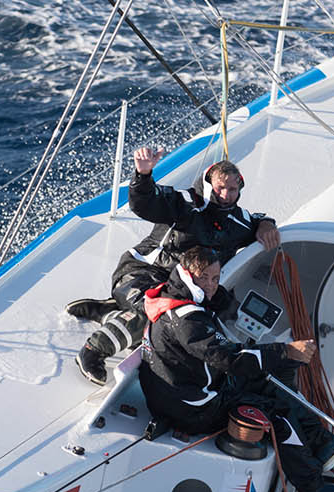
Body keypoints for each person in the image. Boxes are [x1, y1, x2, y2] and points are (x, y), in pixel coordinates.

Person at [139, 246, 334, 492]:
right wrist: (286, 351)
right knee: (275, 410)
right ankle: (312, 490)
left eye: (215, 277)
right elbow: (228, 357)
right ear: (187, 275)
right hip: (194, 409)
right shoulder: (187, 320)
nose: (210, 285)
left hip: (176, 394)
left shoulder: (168, 296)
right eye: (203, 278)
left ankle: (321, 443)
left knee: (268, 381)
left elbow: (218, 335)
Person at [70, 146, 281, 383]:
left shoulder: (237, 221)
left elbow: (257, 221)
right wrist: (143, 175)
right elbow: (146, 201)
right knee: (163, 314)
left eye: (232, 189)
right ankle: (93, 350)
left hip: (187, 285)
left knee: (217, 316)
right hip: (142, 273)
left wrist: (266, 223)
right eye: (220, 187)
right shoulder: (185, 203)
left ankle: (112, 312)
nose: (226, 195)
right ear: (209, 184)